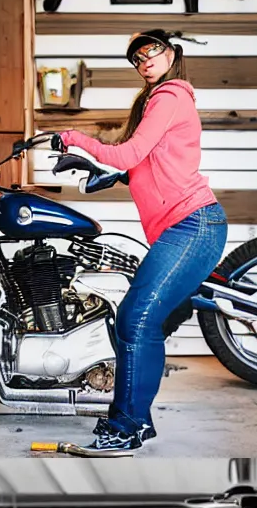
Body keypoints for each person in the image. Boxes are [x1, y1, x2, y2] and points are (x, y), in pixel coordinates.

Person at [57, 30, 228, 451]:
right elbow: (142, 164)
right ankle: (126, 418)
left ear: (170, 53)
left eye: (151, 50)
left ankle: (130, 426)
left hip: (193, 224)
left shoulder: (170, 96)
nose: (144, 59)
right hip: (181, 227)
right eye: (136, 57)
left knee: (137, 319)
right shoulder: (159, 101)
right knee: (134, 318)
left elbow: (130, 153)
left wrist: (74, 138)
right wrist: (105, 171)